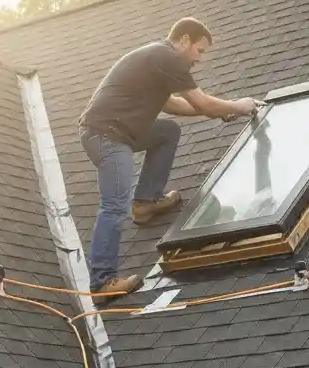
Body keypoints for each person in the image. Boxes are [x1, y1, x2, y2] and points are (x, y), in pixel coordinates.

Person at [77, 17, 262, 304]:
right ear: (184, 40)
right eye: (199, 51)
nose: (199, 59)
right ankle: (102, 283)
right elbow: (201, 102)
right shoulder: (165, 56)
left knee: (166, 131)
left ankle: (147, 202)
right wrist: (239, 105)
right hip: (107, 136)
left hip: (120, 131)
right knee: (114, 205)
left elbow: (173, 105)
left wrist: (218, 110)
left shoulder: (156, 60)